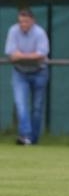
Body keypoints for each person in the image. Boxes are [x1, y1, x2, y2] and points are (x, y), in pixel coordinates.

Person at [4, 8, 50, 145]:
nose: (23, 24)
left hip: (39, 72)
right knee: (21, 104)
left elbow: (41, 54)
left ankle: (33, 139)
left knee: (37, 107)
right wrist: (31, 56)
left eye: (26, 21)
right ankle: (25, 136)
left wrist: (21, 56)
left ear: (33, 21)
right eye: (20, 22)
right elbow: (11, 53)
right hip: (20, 73)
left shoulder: (40, 33)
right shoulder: (13, 31)